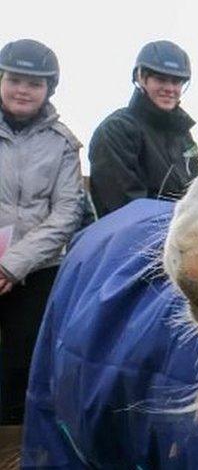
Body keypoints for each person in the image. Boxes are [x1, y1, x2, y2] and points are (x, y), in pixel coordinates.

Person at [0, 39, 85, 424]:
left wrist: (12, 266)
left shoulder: (64, 144)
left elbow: (67, 212)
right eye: (15, 79)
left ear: (49, 89)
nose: (23, 90)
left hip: (36, 271)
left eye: (34, 83)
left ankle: (13, 446)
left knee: (25, 363)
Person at [88, 40, 198, 217]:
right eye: (161, 79)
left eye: (176, 82)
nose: (170, 89)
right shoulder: (116, 131)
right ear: (141, 78)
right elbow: (126, 208)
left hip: (183, 232)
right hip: (137, 236)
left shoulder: (182, 135)